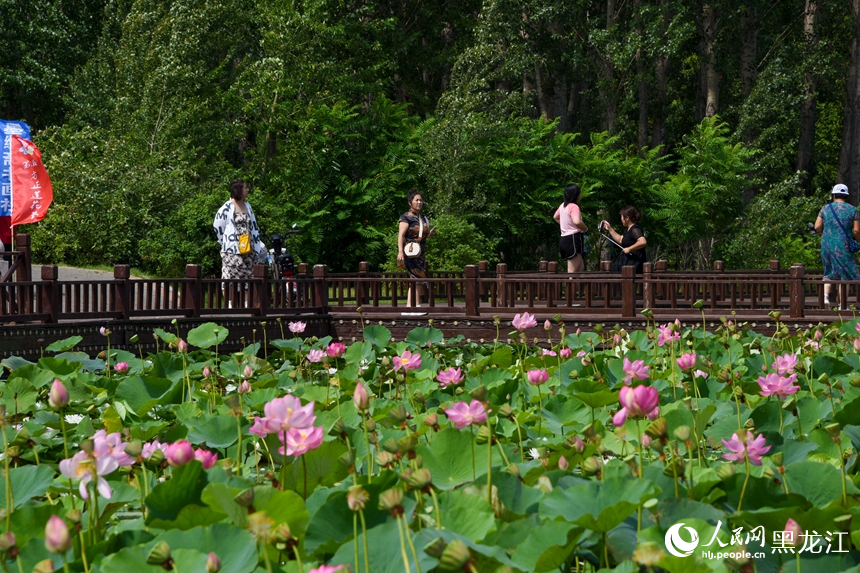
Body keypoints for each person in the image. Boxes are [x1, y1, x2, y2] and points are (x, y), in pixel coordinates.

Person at [213, 180, 267, 300]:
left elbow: (253, 225)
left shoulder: (248, 205)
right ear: (238, 190)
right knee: (229, 276)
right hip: (232, 248)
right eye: (245, 188)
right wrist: (225, 241)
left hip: (248, 246)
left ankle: (247, 303)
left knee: (249, 275)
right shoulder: (227, 207)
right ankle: (230, 303)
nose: (247, 190)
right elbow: (218, 225)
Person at [814, 183, 860, 309]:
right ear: (846, 196)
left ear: (833, 195)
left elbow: (817, 226)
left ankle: (825, 297)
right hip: (843, 246)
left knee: (828, 271)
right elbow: (856, 231)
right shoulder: (853, 210)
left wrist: (826, 234)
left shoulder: (825, 208)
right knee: (845, 274)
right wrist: (853, 239)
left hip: (827, 244)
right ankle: (842, 305)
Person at [397, 188, 436, 308]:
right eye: (417, 200)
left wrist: (430, 235)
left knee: (419, 279)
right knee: (415, 278)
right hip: (410, 252)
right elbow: (401, 235)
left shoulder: (423, 218)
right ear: (410, 202)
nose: (419, 202)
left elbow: (422, 235)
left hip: (420, 252)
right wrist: (400, 252)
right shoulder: (406, 217)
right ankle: (411, 306)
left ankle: (415, 304)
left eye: (421, 200)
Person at [601, 206, 647, 273]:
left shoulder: (635, 229)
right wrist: (609, 228)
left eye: (622, 217)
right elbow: (620, 239)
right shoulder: (628, 229)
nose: (621, 219)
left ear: (627, 218)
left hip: (633, 264)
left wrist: (629, 249)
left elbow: (643, 241)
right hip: (626, 263)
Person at [553, 184, 588, 272]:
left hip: (564, 239)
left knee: (580, 270)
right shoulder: (574, 206)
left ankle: (577, 286)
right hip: (573, 239)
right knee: (572, 273)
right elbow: (577, 221)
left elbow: (555, 217)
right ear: (576, 195)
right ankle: (569, 286)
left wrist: (566, 225)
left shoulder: (562, 206)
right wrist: (585, 228)